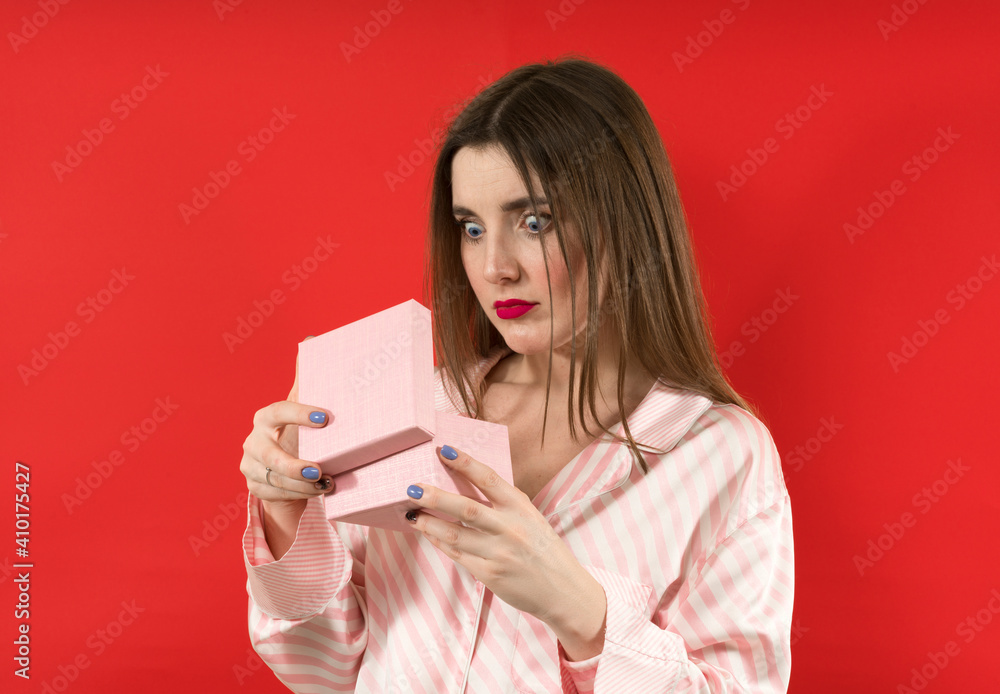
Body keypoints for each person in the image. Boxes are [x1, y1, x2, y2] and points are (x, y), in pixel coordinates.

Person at [240, 55, 794, 693]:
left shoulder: (720, 453)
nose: (494, 266)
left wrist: (580, 611)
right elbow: (325, 670)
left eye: (535, 221)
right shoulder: (420, 405)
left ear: (626, 223)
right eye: (471, 229)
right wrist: (286, 515)